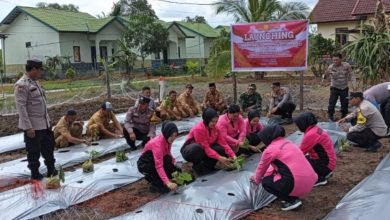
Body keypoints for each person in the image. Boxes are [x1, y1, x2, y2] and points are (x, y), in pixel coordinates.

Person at [250, 125, 317, 211]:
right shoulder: (288, 143)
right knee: (279, 174)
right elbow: (277, 166)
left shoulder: (270, 149)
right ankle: (294, 194)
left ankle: (292, 200)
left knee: (266, 182)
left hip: (297, 183)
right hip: (310, 181)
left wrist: (256, 179)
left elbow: (261, 168)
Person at [14, 59, 57, 180]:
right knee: (34, 152)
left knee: (49, 149)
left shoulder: (35, 82)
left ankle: (51, 170)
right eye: (40, 70)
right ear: (33, 69)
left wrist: (49, 122)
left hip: (45, 124)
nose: (41, 72)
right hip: (33, 126)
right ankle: (35, 174)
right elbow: (21, 108)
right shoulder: (22, 85)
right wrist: (28, 127)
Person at [181, 108, 236, 175]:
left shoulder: (215, 128)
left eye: (216, 121)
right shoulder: (199, 129)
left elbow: (223, 143)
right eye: (212, 121)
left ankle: (208, 165)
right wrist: (219, 157)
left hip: (205, 149)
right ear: (207, 120)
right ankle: (196, 168)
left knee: (220, 148)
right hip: (190, 151)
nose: (214, 124)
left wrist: (233, 155)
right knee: (197, 148)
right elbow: (205, 147)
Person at [293, 112, 336, 186]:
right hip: (329, 162)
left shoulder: (311, 135)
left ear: (304, 124)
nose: (298, 127)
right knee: (305, 158)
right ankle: (323, 173)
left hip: (326, 164)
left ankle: (319, 178)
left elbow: (299, 153)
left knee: (298, 162)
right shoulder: (316, 129)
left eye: (299, 125)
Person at [137, 122, 180, 193]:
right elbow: (159, 166)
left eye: (175, 136)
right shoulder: (158, 145)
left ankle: (160, 177)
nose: (173, 138)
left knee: (169, 161)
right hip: (145, 164)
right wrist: (168, 183)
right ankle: (152, 180)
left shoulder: (167, 139)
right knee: (163, 187)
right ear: (167, 133)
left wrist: (174, 162)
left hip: (155, 160)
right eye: (171, 136)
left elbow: (168, 152)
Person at [324, 53, 357, 121]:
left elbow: (352, 75)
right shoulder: (331, 67)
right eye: (333, 60)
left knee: (344, 103)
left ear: (341, 59)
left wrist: (354, 85)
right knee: (332, 103)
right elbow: (325, 78)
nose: (335, 61)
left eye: (337, 60)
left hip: (344, 87)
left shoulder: (346, 65)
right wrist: (326, 74)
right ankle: (330, 116)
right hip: (334, 87)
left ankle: (343, 116)